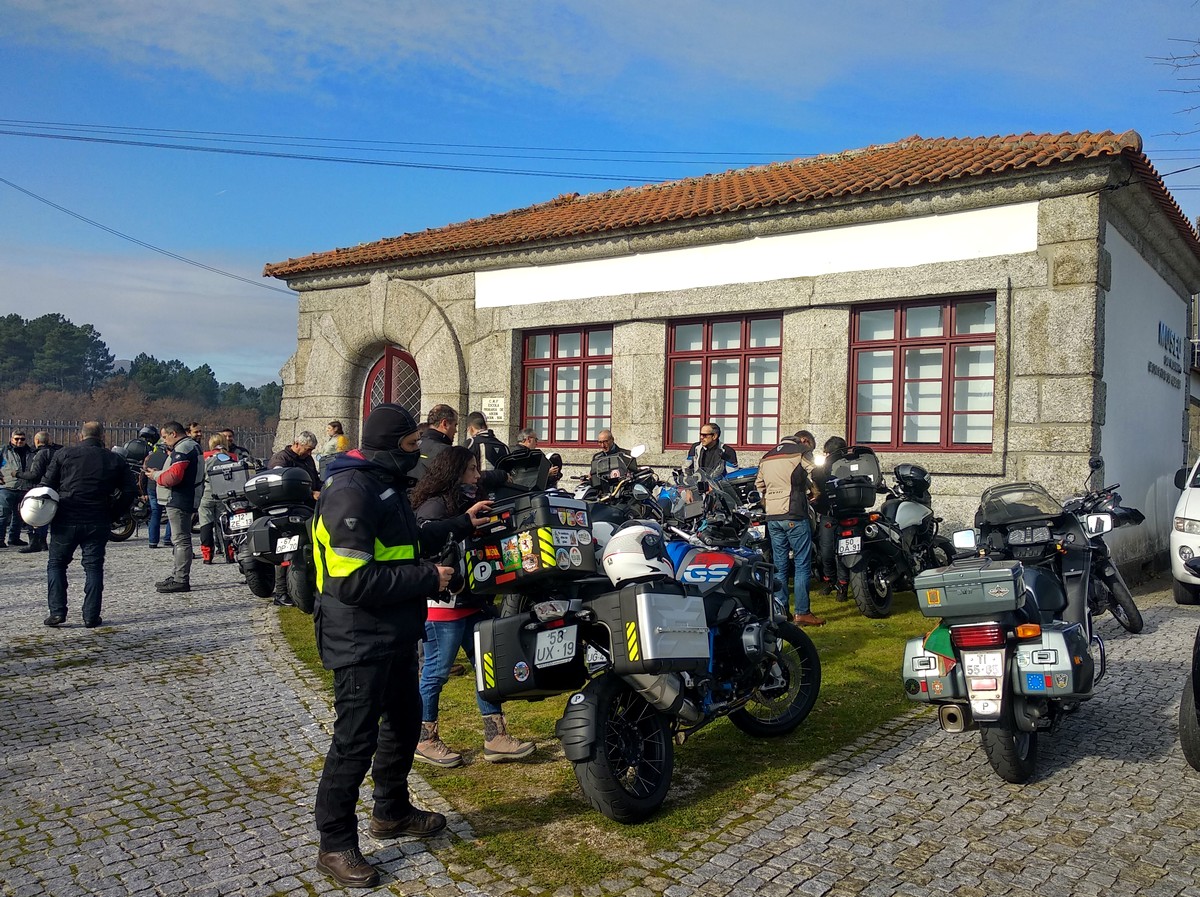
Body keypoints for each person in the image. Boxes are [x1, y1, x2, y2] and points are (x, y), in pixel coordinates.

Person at [310, 403, 491, 888]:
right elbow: (351, 581)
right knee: (354, 741)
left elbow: (409, 539)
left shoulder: (383, 485)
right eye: (412, 445)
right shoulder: (351, 492)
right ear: (390, 446)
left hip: (393, 632)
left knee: (405, 724)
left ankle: (390, 811)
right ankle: (335, 843)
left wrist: (464, 522)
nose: (419, 453)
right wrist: (429, 577)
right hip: (359, 638)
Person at [410, 446, 535, 768]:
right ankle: (424, 739)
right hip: (443, 607)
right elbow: (423, 547)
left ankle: (496, 737)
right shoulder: (434, 506)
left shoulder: (467, 502)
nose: (477, 476)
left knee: (485, 668)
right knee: (435, 673)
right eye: (470, 470)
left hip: (472, 603)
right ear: (453, 473)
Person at [40, 421, 136, 628]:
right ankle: (91, 616)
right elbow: (130, 490)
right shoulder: (115, 459)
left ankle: (57, 612)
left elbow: (46, 486)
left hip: (66, 516)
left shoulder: (64, 454)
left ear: (80, 436)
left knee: (56, 564)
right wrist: (114, 513)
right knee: (93, 567)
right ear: (102, 437)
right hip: (98, 517)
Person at [756, 430, 824, 627]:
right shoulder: (800, 451)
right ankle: (802, 613)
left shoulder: (767, 456)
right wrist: (814, 489)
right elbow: (815, 472)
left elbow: (759, 485)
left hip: (773, 516)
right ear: (804, 440)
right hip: (794, 513)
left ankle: (781, 610)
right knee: (802, 564)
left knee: (780, 564)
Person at [145, 421, 201, 594]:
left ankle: (181, 579)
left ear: (173, 434)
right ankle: (178, 575)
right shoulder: (192, 446)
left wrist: (156, 475)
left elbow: (174, 476)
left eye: (165, 436)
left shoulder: (183, 448)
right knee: (180, 539)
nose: (163, 440)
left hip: (179, 498)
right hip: (186, 497)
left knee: (181, 540)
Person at [266, 431, 321, 605]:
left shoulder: (307, 460)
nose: (310, 453)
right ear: (297, 444)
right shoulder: (281, 459)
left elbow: (315, 479)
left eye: (312, 450)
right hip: (287, 510)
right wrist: (310, 493)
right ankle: (281, 591)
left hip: (306, 507)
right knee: (286, 548)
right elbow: (280, 484)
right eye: (308, 449)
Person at [810, 436, 850, 602]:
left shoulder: (848, 466)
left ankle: (842, 585)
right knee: (828, 551)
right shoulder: (823, 469)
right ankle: (831, 581)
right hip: (830, 514)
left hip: (843, 514)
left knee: (841, 552)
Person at [16, 431, 62, 553]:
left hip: (37, 487)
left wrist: (18, 474)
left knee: (33, 515)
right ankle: (43, 542)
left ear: (36, 441)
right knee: (45, 514)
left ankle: (34, 542)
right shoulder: (57, 453)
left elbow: (35, 474)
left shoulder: (40, 454)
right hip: (54, 488)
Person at [198, 434, 234, 566]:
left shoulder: (205, 457)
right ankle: (229, 554)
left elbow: (199, 476)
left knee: (205, 524)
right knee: (224, 524)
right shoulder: (232, 458)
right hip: (224, 494)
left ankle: (207, 556)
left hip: (207, 492)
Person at [140, 426, 172, 549]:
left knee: (155, 513)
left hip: (151, 487)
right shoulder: (169, 458)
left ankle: (153, 541)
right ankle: (168, 539)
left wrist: (143, 491)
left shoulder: (149, 457)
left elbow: (143, 475)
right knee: (170, 513)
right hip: (165, 487)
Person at [0, 429, 33, 547]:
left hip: (24, 487)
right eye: (17, 439)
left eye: (22, 439)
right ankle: (0, 539)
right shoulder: (3, 451)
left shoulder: (30, 451)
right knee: (3, 514)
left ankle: (14, 538)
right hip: (7, 486)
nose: (19, 441)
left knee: (19, 515)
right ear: (11, 439)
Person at [411, 404, 458, 482]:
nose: (456, 431)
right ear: (445, 423)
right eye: (455, 425)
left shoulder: (413, 445)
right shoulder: (447, 451)